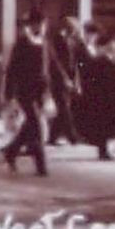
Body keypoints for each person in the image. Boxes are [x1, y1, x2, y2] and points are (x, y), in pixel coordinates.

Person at [1, 13, 49, 176]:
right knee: (36, 127)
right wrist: (9, 94)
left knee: (29, 126)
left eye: (44, 25)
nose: (43, 28)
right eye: (41, 24)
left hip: (39, 92)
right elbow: (12, 69)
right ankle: (41, 166)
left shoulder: (44, 43)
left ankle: (11, 151)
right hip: (25, 91)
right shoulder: (23, 43)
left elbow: (50, 67)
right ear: (33, 25)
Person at [75, 32, 115, 160]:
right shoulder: (98, 60)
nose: (114, 45)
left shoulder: (114, 59)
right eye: (112, 43)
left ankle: (106, 148)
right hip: (103, 97)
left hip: (114, 96)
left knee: (110, 124)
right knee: (103, 125)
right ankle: (102, 149)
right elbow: (91, 80)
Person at [46, 17, 82, 147]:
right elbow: (56, 62)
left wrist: (76, 80)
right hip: (58, 78)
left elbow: (76, 63)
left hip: (70, 76)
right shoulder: (58, 40)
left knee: (63, 107)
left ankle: (52, 136)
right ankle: (72, 137)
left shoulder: (73, 41)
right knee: (64, 107)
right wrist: (65, 78)